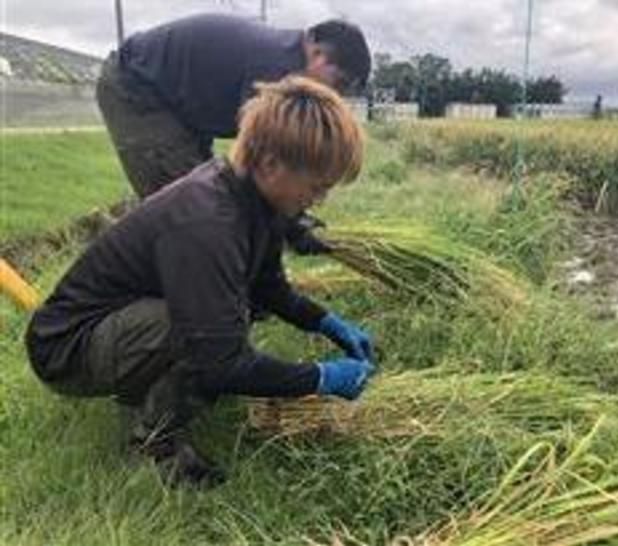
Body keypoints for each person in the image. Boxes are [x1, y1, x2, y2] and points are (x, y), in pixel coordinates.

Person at [25, 76, 376, 487]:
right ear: (270, 164)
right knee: (203, 332)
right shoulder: (206, 221)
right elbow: (223, 363)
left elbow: (268, 287)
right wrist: (319, 378)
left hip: (116, 324)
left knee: (230, 313)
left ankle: (147, 392)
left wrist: (327, 323)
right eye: (317, 187)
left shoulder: (256, 200)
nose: (320, 200)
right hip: (67, 348)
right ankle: (157, 448)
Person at [96, 13, 371, 254]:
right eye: (340, 83)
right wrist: (289, 226)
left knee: (209, 195)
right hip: (137, 89)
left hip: (182, 108)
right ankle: (178, 288)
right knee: (190, 207)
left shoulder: (288, 57)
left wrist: (290, 221)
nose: (337, 96)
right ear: (318, 54)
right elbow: (259, 164)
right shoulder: (276, 65)